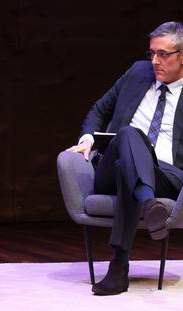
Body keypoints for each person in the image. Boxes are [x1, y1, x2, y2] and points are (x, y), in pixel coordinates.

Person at [67, 21, 183, 295]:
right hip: (114, 163)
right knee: (129, 134)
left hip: (166, 175)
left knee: (126, 169)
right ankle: (147, 203)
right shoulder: (136, 73)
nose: (155, 61)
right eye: (151, 53)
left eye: (163, 54)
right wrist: (87, 140)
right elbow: (98, 110)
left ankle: (119, 267)